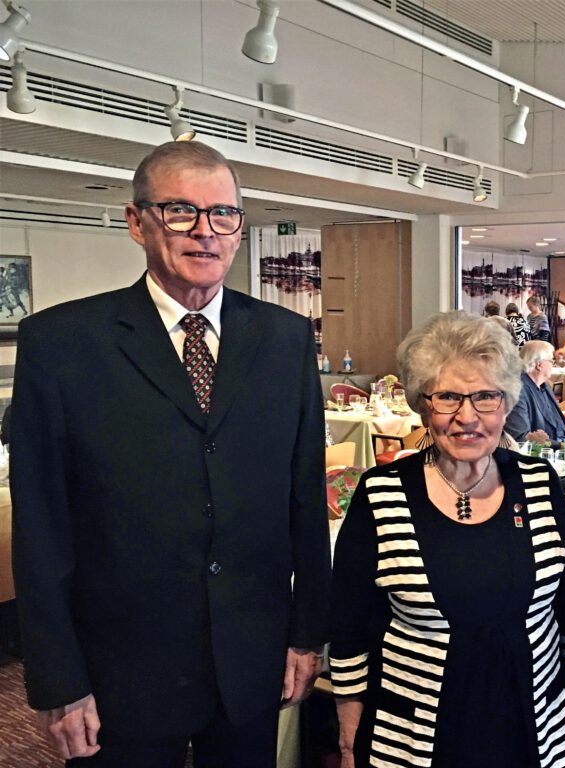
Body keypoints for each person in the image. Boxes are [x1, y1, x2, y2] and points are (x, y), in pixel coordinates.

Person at [10, 141, 330, 767]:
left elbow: (303, 497)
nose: (205, 231)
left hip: (251, 659)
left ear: (240, 227)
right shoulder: (62, 343)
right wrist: (57, 678)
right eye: (181, 210)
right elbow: (41, 528)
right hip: (118, 672)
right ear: (137, 222)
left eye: (223, 213)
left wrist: (306, 634)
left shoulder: (285, 339)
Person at [328, 311, 565, 768]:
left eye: (486, 397)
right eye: (448, 397)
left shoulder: (538, 483)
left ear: (506, 403)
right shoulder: (381, 493)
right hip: (412, 743)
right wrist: (349, 741)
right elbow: (349, 629)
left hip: (535, 732)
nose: (467, 416)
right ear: (423, 404)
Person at [505, 340, 565, 446]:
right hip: (547, 452)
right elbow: (521, 438)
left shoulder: (544, 386)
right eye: (551, 361)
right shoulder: (517, 391)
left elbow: (562, 421)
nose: (553, 365)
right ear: (539, 364)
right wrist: (564, 446)